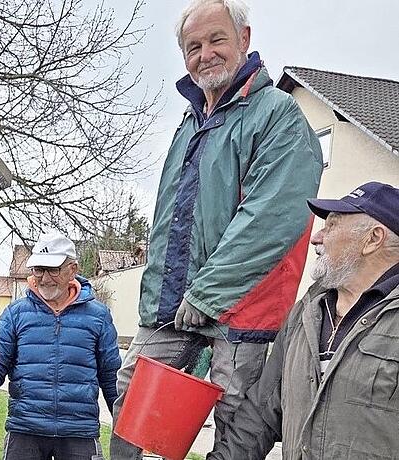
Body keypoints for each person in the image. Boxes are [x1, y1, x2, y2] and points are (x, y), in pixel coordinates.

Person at [110, 0, 324, 457]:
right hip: (172, 306)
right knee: (130, 409)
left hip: (243, 310)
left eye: (216, 40)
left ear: (244, 40)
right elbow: (168, 223)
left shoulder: (278, 115)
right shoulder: (190, 124)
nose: (204, 53)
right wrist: (158, 298)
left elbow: (270, 219)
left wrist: (208, 293)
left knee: (236, 426)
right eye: (193, 46)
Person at [208, 181, 399, 459]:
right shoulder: (305, 312)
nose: (316, 237)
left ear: (373, 239)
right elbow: (260, 413)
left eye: (332, 225)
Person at [0, 232, 120, 460]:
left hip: (78, 431)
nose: (44, 278)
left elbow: (111, 377)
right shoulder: (15, 313)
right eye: (38, 269)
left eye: (53, 269)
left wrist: (129, 427)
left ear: (73, 269)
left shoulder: (98, 317)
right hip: (25, 430)